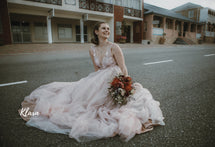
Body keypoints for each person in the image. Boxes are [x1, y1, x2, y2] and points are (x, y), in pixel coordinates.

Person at [18, 22, 165, 142]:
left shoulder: (114, 47)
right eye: (103, 28)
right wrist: (94, 86)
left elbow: (123, 67)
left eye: (108, 29)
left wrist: (124, 84)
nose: (107, 30)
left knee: (110, 104)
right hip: (99, 78)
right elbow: (97, 69)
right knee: (81, 99)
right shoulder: (92, 49)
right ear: (96, 32)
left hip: (114, 78)